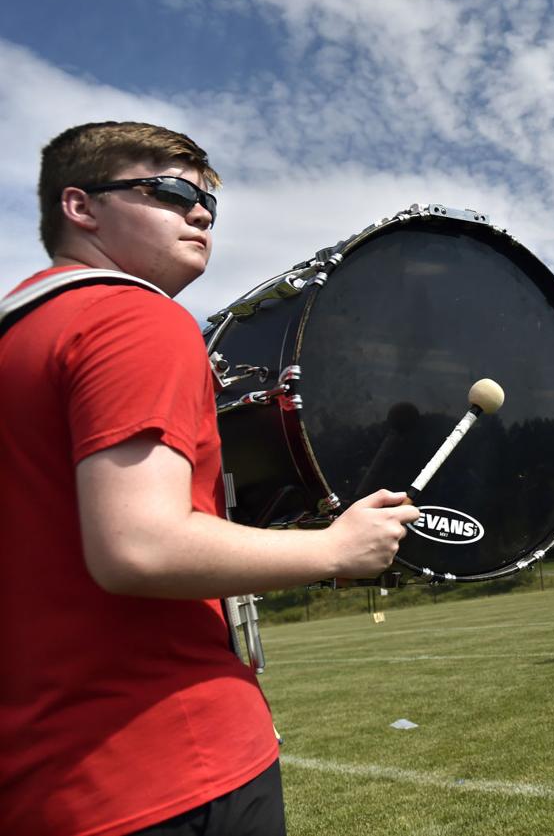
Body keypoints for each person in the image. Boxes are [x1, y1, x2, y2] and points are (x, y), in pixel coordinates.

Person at [0, 122, 420, 836]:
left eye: (208, 204)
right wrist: (333, 548)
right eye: (168, 191)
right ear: (80, 206)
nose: (199, 213)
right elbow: (141, 543)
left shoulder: (18, 335)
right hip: (168, 761)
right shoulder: (132, 317)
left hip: (42, 781)